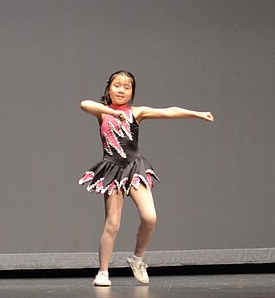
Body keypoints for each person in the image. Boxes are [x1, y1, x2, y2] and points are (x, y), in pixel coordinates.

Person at [79, 70, 213, 286]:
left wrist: (197, 113)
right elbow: (85, 104)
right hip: (113, 169)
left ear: (132, 92)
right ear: (109, 89)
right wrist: (112, 112)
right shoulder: (102, 113)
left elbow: (169, 111)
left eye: (126, 87)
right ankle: (103, 273)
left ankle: (137, 259)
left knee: (150, 217)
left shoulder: (136, 112)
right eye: (117, 85)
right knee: (112, 224)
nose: (121, 90)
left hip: (133, 168)